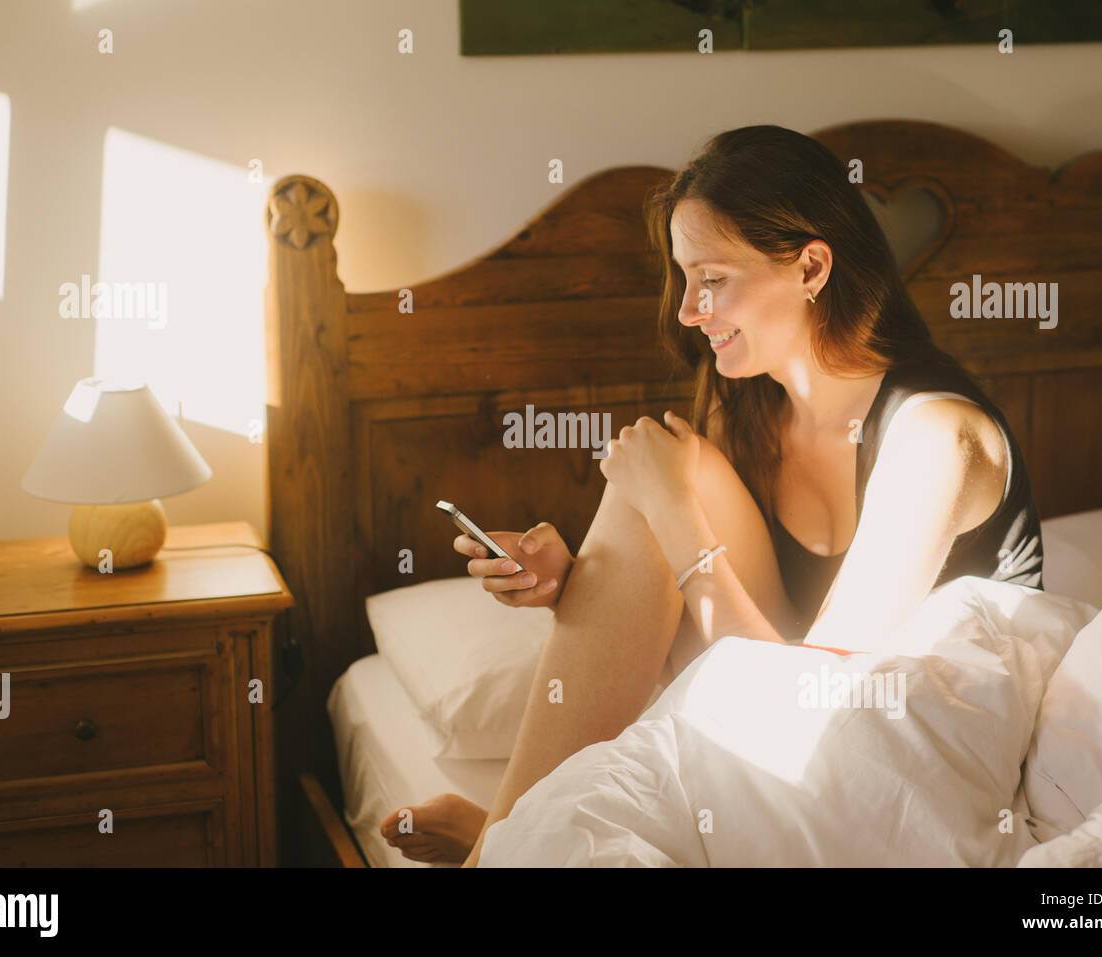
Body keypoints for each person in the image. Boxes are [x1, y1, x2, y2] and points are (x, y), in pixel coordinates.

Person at [380, 124, 1044, 866]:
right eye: (686, 279)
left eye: (714, 278)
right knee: (662, 477)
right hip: (798, 720)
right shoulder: (751, 414)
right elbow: (741, 639)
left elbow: (817, 706)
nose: (690, 311)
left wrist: (675, 514)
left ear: (811, 267)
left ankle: (494, 848)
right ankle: (507, 838)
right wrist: (571, 578)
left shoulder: (935, 437)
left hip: (905, 759)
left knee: (664, 486)